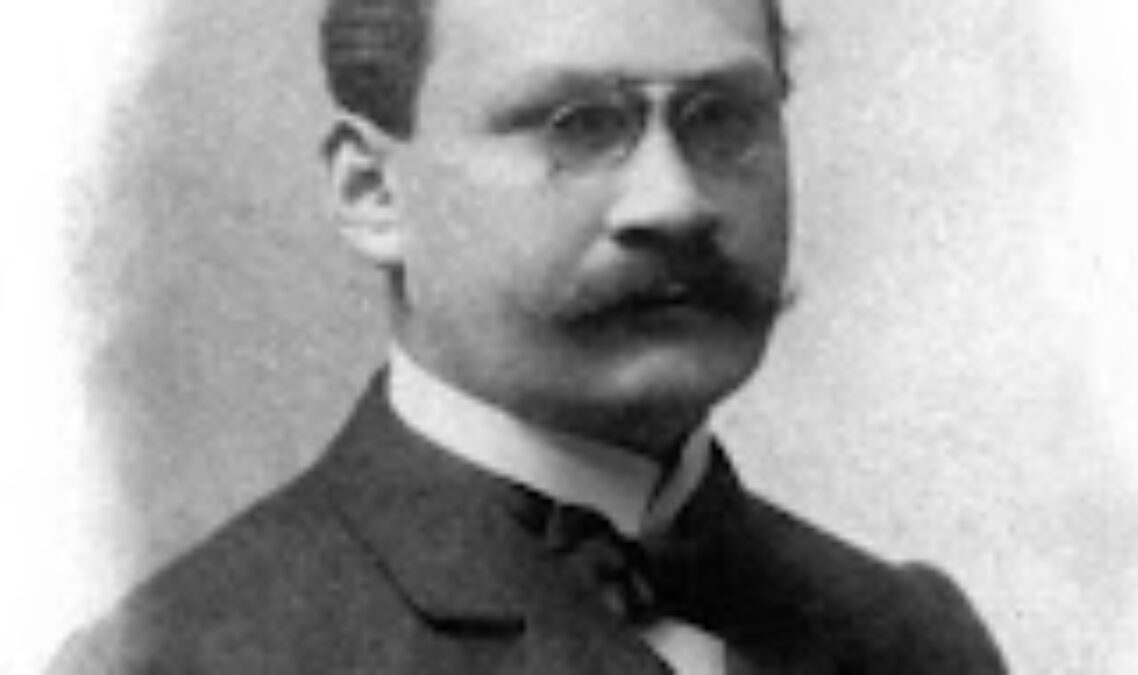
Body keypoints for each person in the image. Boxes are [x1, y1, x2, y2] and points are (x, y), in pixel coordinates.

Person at [53, 0, 1008, 672]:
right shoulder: (183, 658)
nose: (675, 202)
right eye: (578, 125)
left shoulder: (914, 639)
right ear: (373, 191)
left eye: (723, 118)